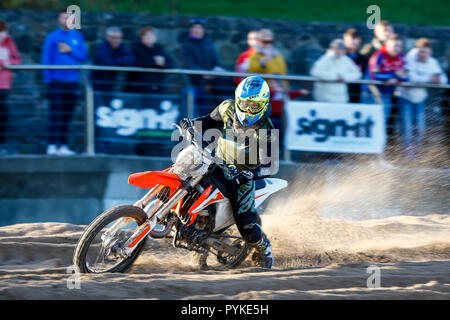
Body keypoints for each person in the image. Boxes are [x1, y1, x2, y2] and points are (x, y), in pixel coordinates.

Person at [179, 76, 275, 269]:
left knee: (246, 225)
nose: (248, 110)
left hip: (243, 177)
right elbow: (204, 122)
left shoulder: (266, 130)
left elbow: (266, 165)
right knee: (185, 178)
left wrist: (247, 174)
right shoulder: (227, 109)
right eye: (245, 104)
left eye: (254, 106)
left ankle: (263, 246)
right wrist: (189, 125)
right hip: (217, 163)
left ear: (264, 105)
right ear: (238, 101)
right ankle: (190, 224)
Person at [41, 10, 88, 156]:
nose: (67, 19)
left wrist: (70, 50)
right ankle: (51, 144)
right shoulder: (52, 37)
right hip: (56, 81)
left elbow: (84, 56)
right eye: (64, 16)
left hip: (72, 81)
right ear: (59, 19)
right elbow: (46, 59)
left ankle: (63, 145)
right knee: (56, 113)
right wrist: (48, 80)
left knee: (68, 114)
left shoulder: (77, 36)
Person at [398, 38, 448, 161]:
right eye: (420, 51)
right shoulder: (410, 58)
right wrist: (428, 78)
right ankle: (407, 156)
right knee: (407, 128)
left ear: (430, 52)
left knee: (420, 129)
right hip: (405, 98)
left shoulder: (433, 62)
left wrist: (434, 79)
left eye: (424, 52)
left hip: (419, 100)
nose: (422, 54)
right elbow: (408, 76)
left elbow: (443, 79)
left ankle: (415, 154)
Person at [248, 29, 307, 122]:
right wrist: (263, 63)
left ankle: (277, 136)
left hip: (280, 92)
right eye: (265, 42)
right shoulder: (255, 55)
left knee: (280, 121)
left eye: (271, 41)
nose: (269, 44)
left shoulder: (277, 54)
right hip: (264, 94)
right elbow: (252, 72)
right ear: (259, 41)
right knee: (264, 122)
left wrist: (285, 89)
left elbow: (283, 73)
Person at [180, 18, 228, 114]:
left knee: (205, 112)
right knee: (192, 110)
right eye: (195, 28)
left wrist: (217, 69)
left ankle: (201, 128)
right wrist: (203, 74)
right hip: (192, 84)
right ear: (191, 29)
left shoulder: (208, 44)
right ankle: (192, 128)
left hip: (208, 84)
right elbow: (188, 64)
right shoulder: (185, 45)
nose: (197, 30)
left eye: (200, 28)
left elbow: (215, 62)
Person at [367, 33, 407, 125]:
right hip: (372, 94)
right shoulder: (379, 56)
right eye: (394, 46)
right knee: (372, 123)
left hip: (388, 95)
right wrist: (394, 75)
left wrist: (396, 79)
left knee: (383, 122)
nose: (397, 48)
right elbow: (374, 75)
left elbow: (406, 76)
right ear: (387, 45)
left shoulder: (402, 57)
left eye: (399, 46)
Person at [310, 39, 362, 103]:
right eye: (336, 48)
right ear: (332, 48)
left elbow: (357, 74)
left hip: (341, 98)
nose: (338, 51)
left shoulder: (346, 60)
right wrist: (334, 77)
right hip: (324, 98)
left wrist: (344, 78)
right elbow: (315, 72)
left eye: (341, 49)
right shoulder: (325, 59)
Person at [125, 27, 174, 94]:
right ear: (141, 38)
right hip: (138, 87)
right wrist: (154, 61)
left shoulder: (159, 49)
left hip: (156, 86)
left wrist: (163, 63)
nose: (149, 37)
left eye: (151, 34)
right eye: (146, 35)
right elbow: (135, 62)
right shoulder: (135, 48)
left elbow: (171, 63)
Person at [91, 26, 135, 92]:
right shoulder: (102, 47)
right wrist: (120, 59)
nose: (118, 40)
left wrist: (114, 58)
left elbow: (131, 60)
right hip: (99, 84)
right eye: (114, 38)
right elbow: (108, 63)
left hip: (114, 83)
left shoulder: (121, 46)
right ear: (107, 37)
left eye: (120, 38)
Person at [0, 20, 21, 155]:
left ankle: (1, 144)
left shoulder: (9, 43)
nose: (2, 35)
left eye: (3, 32)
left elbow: (17, 60)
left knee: (3, 115)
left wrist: (8, 63)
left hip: (4, 85)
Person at [343, 28, 365, 102]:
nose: (352, 42)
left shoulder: (362, 58)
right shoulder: (340, 57)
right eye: (349, 40)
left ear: (360, 40)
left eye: (355, 39)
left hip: (356, 92)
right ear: (344, 41)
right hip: (342, 91)